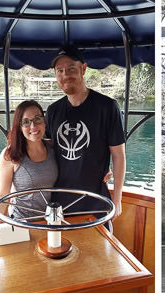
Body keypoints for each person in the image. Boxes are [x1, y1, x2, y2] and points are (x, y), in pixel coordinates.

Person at [46, 45, 126, 221]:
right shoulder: (53, 111)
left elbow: (119, 156)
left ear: (83, 69)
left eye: (71, 69)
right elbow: (46, 150)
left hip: (96, 200)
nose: (65, 75)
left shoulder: (107, 107)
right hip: (60, 202)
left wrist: (118, 199)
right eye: (59, 71)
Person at [0, 101, 58, 244]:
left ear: (44, 121)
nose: (33, 126)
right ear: (19, 127)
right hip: (20, 224)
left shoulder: (53, 148)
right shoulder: (10, 155)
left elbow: (75, 163)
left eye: (38, 119)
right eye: (26, 122)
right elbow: (2, 194)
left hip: (50, 223)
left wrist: (103, 170)